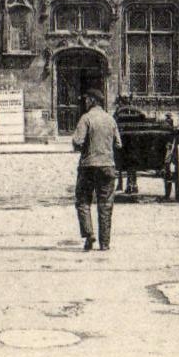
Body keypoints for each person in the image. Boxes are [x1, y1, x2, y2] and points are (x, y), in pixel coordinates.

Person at [72, 90, 121, 251]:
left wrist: (82, 146)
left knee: (83, 201)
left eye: (86, 99)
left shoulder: (86, 118)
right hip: (107, 166)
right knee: (106, 205)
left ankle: (88, 234)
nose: (84, 102)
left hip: (88, 167)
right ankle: (105, 243)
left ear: (92, 100)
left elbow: (78, 142)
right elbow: (118, 144)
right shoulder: (110, 120)